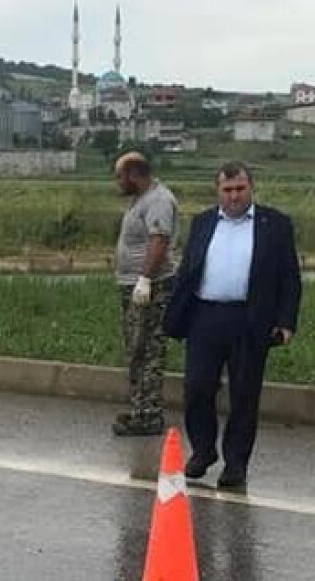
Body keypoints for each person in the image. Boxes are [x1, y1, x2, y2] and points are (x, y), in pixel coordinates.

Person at [163, 161, 301, 488]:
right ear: (218, 192)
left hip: (250, 318)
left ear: (251, 187)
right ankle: (203, 450)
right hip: (205, 316)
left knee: (244, 394)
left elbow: (289, 277)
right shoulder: (203, 222)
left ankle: (236, 462)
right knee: (197, 388)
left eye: (240, 189)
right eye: (228, 190)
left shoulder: (275, 224)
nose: (234, 196)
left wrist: (285, 320)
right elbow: (189, 269)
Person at [111, 152, 181, 437]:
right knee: (135, 348)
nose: (117, 182)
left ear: (134, 174)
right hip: (135, 285)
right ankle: (139, 407)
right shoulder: (141, 200)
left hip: (152, 287)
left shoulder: (158, 200)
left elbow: (159, 240)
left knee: (148, 348)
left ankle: (149, 414)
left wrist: (145, 280)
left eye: (119, 176)